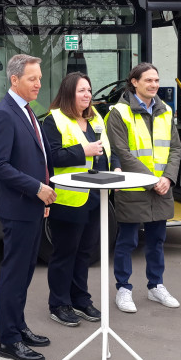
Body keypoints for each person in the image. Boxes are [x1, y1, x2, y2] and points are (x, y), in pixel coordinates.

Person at [0, 54, 57, 360]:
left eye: (39, 78)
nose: (38, 83)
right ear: (14, 80)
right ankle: (9, 340)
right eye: (32, 78)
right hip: (18, 207)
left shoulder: (28, 112)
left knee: (26, 273)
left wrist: (42, 194)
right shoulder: (4, 114)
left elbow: (36, 157)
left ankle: (19, 326)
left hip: (32, 206)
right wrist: (36, 188)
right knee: (14, 275)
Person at [106, 62, 181, 313]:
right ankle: (123, 289)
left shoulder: (166, 111)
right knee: (126, 241)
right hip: (135, 188)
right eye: (148, 80)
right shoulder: (119, 112)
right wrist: (153, 180)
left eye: (157, 80)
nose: (154, 85)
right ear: (134, 82)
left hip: (161, 187)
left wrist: (168, 178)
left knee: (157, 241)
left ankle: (156, 286)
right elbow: (121, 152)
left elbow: (176, 149)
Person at [41, 72, 114, 327]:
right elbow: (51, 157)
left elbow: (106, 149)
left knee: (85, 253)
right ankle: (59, 304)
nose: (88, 95)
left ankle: (80, 299)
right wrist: (82, 151)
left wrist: (113, 167)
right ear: (69, 93)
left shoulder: (95, 119)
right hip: (68, 199)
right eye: (82, 91)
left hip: (95, 197)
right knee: (64, 253)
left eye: (89, 91)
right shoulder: (54, 120)